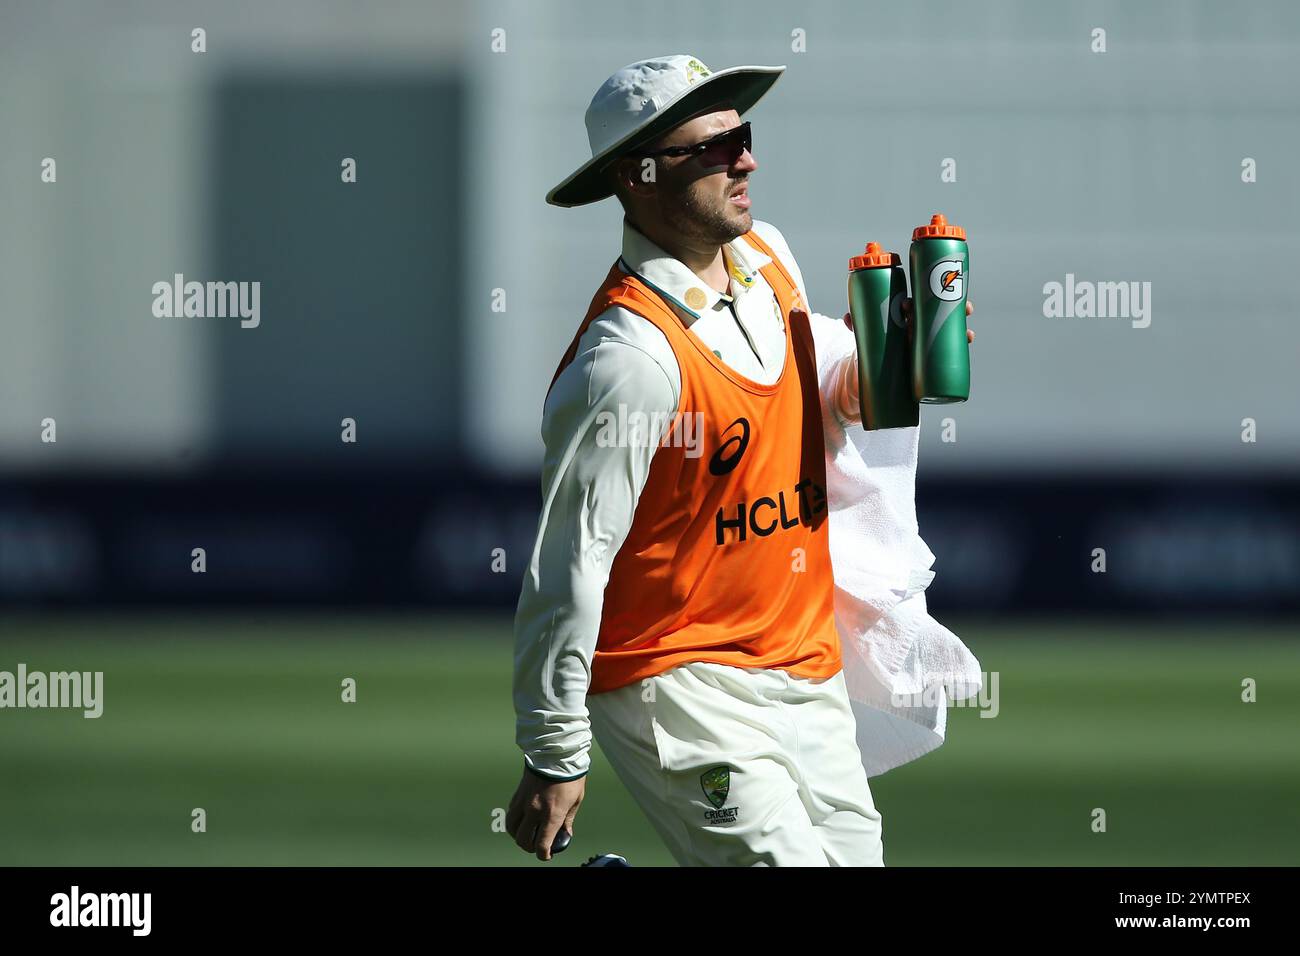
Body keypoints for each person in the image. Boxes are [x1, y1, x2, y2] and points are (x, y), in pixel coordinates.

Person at [506, 54, 976, 866]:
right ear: (638, 175)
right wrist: (555, 751)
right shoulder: (628, 358)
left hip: (805, 664)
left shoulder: (767, 257)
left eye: (743, 138)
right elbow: (571, 563)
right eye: (712, 149)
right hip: (676, 678)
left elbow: (823, 374)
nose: (746, 159)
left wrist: (871, 379)